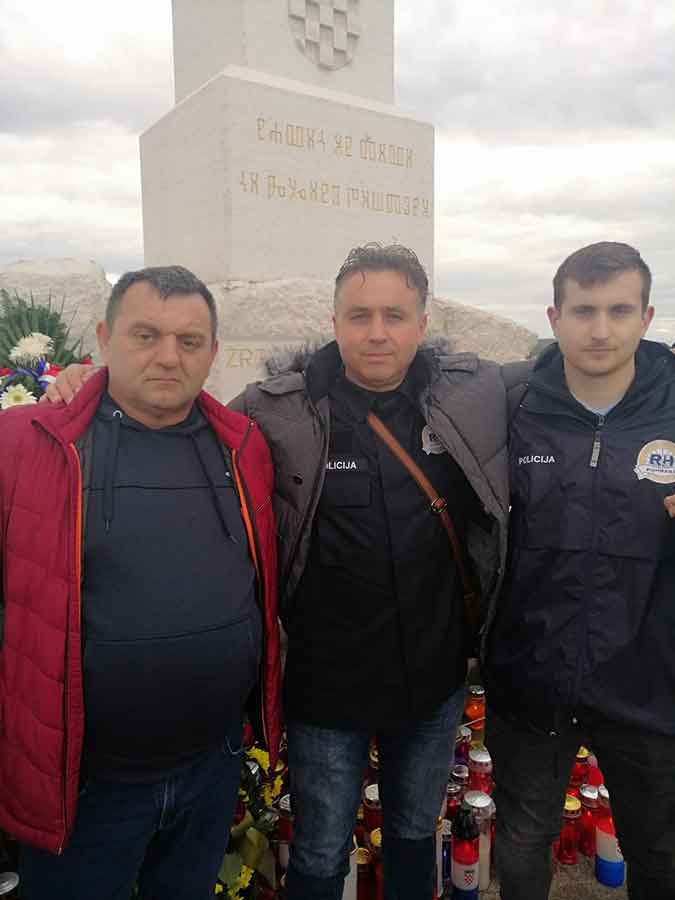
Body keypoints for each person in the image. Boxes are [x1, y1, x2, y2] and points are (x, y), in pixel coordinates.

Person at [45, 243, 511, 900]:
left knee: (413, 831)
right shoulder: (276, 409)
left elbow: (570, 373)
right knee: (318, 849)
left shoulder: (471, 396)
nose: (377, 333)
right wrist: (84, 384)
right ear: (333, 321)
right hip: (327, 692)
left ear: (422, 323)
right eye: (359, 315)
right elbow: (177, 412)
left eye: (395, 315)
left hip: (434, 684)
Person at [0, 265, 281, 900]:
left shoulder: (244, 447)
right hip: (87, 788)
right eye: (146, 335)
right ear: (105, 338)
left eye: (189, 341)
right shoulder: (27, 443)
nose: (168, 356)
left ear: (212, 351)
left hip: (211, 770)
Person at [486, 242, 675, 900]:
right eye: (583, 310)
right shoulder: (512, 409)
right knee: (521, 843)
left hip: (649, 685)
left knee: (659, 853)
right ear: (554, 317)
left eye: (619, 311)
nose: (600, 330)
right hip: (531, 677)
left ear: (646, 317)